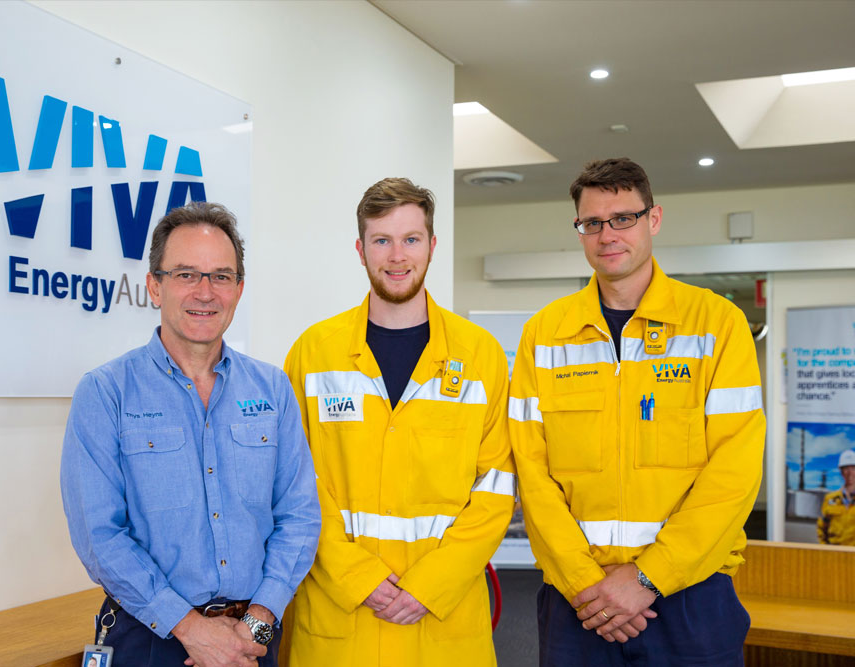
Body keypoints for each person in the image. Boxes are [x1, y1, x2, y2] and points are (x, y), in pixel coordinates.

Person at [509, 158, 765, 666]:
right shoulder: (544, 334)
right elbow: (531, 472)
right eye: (592, 223)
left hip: (690, 594)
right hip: (578, 600)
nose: (608, 234)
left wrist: (649, 578)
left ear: (654, 219)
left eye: (623, 218)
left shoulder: (717, 324)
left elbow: (734, 473)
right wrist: (587, 583)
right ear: (580, 231)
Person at [61, 202, 321, 667]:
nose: (205, 292)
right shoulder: (105, 393)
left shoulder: (273, 389)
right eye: (186, 274)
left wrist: (257, 624)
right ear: (154, 286)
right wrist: (192, 630)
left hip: (252, 641)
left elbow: (299, 517)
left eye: (221, 276)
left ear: (239, 290)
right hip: (150, 639)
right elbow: (100, 538)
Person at [282, 178, 517, 666]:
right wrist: (357, 578)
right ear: (360, 249)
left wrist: (432, 585)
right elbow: (291, 483)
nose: (396, 255)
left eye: (411, 239)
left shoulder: (480, 356)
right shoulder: (314, 354)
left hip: (440, 623)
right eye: (381, 240)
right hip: (339, 621)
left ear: (432, 245)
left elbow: (496, 487)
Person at [817, 448, 855, 545]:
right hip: (834, 555)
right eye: (846, 468)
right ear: (841, 471)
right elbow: (821, 528)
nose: (850, 473)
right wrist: (825, 550)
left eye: (853, 468)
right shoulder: (830, 499)